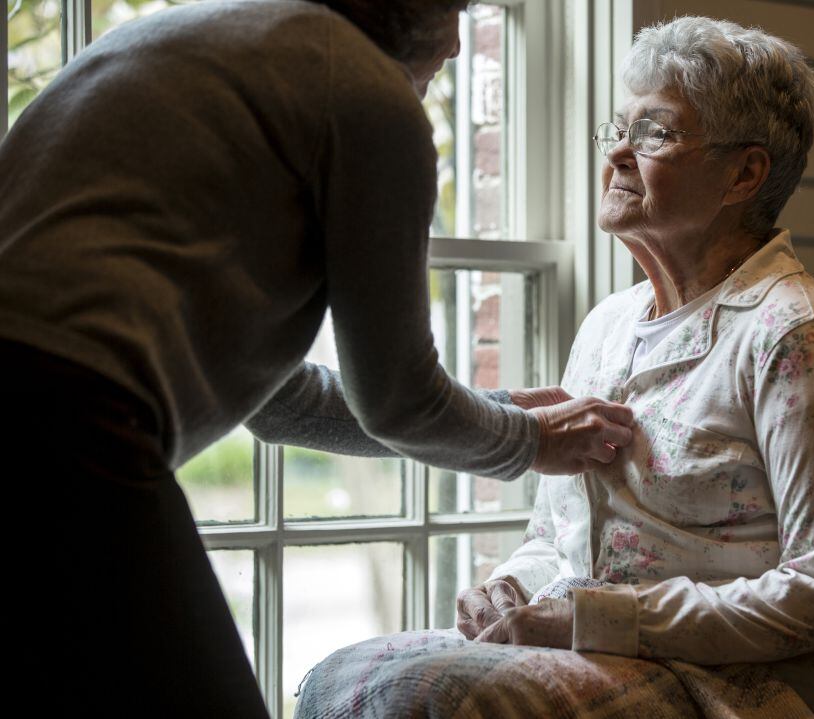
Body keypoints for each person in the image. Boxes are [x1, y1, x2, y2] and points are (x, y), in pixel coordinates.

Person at [0, 1, 633, 716]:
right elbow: (399, 400)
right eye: (453, 10)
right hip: (62, 417)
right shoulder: (367, 96)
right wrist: (532, 440)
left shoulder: (183, 43)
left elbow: (278, 403)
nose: (457, 46)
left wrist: (506, 412)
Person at [449, 16, 814, 715]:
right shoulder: (607, 324)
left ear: (744, 173)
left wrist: (598, 620)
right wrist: (510, 588)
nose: (617, 152)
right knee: (360, 677)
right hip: (596, 662)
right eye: (619, 128)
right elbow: (555, 539)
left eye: (654, 132)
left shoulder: (794, 331)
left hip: (737, 686)